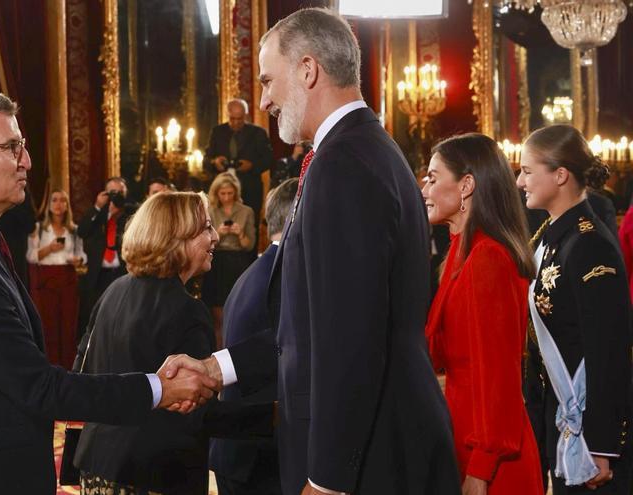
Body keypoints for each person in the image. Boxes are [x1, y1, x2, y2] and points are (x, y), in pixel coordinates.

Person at [161, 8, 459, 495]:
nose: (263, 100)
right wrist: (218, 368)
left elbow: (352, 339)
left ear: (307, 69)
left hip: (370, 460)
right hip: (374, 444)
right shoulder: (351, 152)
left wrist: (328, 479)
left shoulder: (345, 163)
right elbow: (305, 326)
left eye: (267, 81)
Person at [0, 91, 217, 495]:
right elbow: (39, 388)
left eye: (22, 147)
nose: (26, 161)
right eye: (12, 147)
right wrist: (160, 388)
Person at [73, 192, 274, 495]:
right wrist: (272, 417)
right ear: (177, 238)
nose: (216, 236)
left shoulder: (113, 291)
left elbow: (82, 371)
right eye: (206, 228)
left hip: (96, 466)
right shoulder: (187, 310)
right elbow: (197, 414)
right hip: (154, 473)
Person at [421, 134, 542, 495]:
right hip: (467, 435)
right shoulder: (462, 251)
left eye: (432, 177)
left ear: (466, 186)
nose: (424, 188)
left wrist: (481, 468)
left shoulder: (487, 258)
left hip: (492, 455)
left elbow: (499, 373)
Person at [517, 124, 632, 494]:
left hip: (589, 431)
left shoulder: (589, 245)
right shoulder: (551, 236)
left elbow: (608, 349)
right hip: (560, 415)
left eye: (528, 171)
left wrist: (601, 444)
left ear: (560, 175)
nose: (520, 182)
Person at [209, 178, 298, 495]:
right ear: (296, 218)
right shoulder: (287, 275)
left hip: (240, 450)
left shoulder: (255, 271)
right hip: (259, 456)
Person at [26, 189, 85, 370]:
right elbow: (31, 256)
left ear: (67, 205)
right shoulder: (38, 229)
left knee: (68, 326)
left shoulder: (74, 230)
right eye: (54, 200)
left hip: (67, 278)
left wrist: (78, 260)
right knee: (48, 326)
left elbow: (81, 254)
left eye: (62, 201)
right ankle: (49, 368)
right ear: (49, 205)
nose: (58, 204)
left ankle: (69, 369)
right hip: (46, 281)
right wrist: (49, 249)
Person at [205, 98, 273, 243]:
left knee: (249, 227)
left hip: (250, 188)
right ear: (227, 115)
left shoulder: (258, 133)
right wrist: (214, 162)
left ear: (246, 116)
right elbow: (206, 161)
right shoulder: (217, 132)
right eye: (232, 119)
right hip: (220, 190)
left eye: (240, 119)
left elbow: (269, 160)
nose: (236, 122)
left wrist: (252, 165)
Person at [202, 172, 256, 348]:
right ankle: (219, 355)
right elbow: (204, 244)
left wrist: (239, 233)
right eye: (222, 193)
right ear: (216, 193)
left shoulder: (246, 211)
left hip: (239, 262)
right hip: (217, 262)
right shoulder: (210, 211)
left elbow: (249, 245)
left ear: (236, 192)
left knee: (240, 313)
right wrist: (217, 233)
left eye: (230, 193)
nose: (226, 197)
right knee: (218, 315)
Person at [77, 176, 134, 335]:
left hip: (123, 273)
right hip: (98, 276)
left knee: (124, 318)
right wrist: (99, 208)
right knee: (96, 320)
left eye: (120, 192)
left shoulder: (132, 213)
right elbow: (82, 231)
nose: (116, 196)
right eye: (112, 192)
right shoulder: (98, 214)